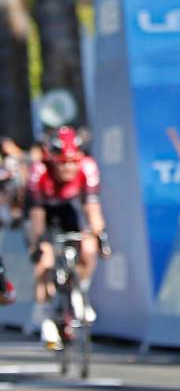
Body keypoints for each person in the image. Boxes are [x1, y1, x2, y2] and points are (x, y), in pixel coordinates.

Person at [27, 126, 110, 349]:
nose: (68, 167)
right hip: (43, 210)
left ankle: (79, 292)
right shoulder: (39, 170)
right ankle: (45, 315)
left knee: (89, 246)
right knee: (44, 257)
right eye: (62, 162)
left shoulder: (88, 167)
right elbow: (36, 215)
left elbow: (92, 207)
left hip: (69, 209)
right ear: (52, 159)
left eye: (73, 161)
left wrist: (100, 236)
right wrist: (37, 243)